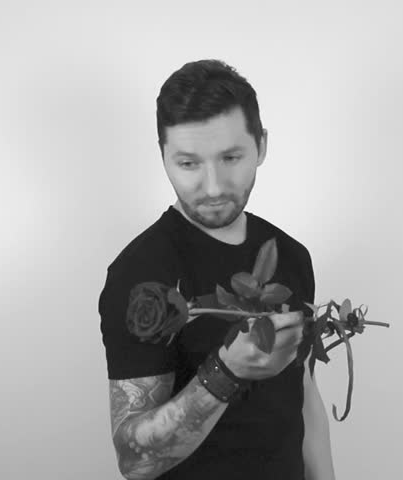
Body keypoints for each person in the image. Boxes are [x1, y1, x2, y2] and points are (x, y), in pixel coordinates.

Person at [98, 59, 335, 480]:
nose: (211, 186)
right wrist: (225, 373)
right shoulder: (140, 272)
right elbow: (134, 460)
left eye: (230, 157)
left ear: (261, 146)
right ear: (163, 155)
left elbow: (302, 392)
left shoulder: (292, 255)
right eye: (188, 163)